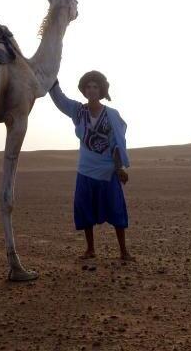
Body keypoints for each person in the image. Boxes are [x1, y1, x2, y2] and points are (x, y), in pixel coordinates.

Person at [49, 71, 134, 261]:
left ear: (101, 90)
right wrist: (51, 78)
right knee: (84, 208)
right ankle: (90, 249)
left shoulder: (111, 115)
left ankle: (123, 251)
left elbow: (117, 144)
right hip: (85, 170)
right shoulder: (78, 111)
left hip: (107, 171)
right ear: (84, 90)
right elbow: (59, 99)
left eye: (95, 87)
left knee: (116, 209)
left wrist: (120, 168)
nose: (92, 90)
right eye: (88, 86)